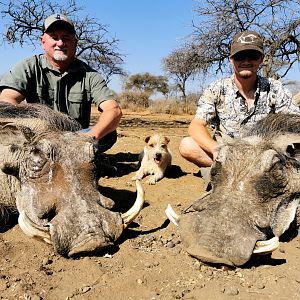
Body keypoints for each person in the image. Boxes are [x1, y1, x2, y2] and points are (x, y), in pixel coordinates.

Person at [179, 30, 300, 188]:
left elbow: (295, 124)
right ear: (231, 60)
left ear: (261, 59)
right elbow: (196, 125)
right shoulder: (217, 88)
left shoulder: (275, 88)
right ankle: (237, 173)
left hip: (265, 155)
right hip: (227, 154)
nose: (246, 61)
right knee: (187, 145)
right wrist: (216, 150)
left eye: (253, 56)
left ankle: (229, 176)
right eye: (240, 56)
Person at [0, 13, 122, 153]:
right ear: (43, 42)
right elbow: (7, 101)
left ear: (75, 43)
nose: (60, 43)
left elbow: (114, 110)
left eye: (66, 38)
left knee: (109, 135)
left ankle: (64, 154)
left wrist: (88, 137)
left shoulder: (90, 75)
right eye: (54, 37)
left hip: (76, 139)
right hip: (37, 137)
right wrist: (31, 129)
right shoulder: (28, 66)